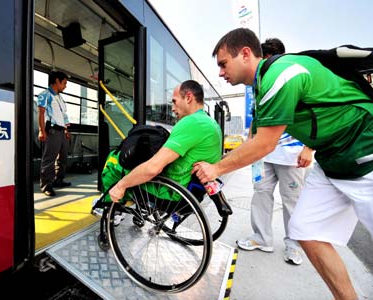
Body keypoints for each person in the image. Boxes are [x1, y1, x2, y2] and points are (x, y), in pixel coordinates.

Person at [193, 28, 373, 300]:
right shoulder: (262, 84)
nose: (220, 73)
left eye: (222, 64)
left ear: (244, 54)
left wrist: (216, 168)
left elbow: (264, 144)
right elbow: (257, 138)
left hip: (364, 152)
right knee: (305, 229)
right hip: (333, 159)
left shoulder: (280, 75)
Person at [236, 38, 314, 266]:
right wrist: (249, 145)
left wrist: (309, 148)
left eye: (268, 58)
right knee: (260, 194)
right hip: (263, 155)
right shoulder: (259, 85)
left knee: (293, 201)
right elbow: (256, 119)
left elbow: (312, 117)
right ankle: (262, 238)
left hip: (291, 156)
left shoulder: (292, 78)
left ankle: (294, 245)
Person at [109, 80, 222, 203]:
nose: (172, 109)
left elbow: (153, 168)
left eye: (174, 101)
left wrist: (122, 185)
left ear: (189, 97)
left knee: (114, 162)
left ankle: (110, 206)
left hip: (170, 193)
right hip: (193, 192)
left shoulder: (191, 122)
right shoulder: (212, 123)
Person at [38, 71, 71, 197]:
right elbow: (41, 113)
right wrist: (41, 130)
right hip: (52, 130)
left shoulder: (60, 98)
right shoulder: (44, 95)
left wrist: (67, 130)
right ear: (57, 81)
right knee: (49, 159)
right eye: (64, 83)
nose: (65, 86)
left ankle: (59, 180)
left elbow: (64, 115)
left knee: (63, 158)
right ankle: (46, 185)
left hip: (62, 131)